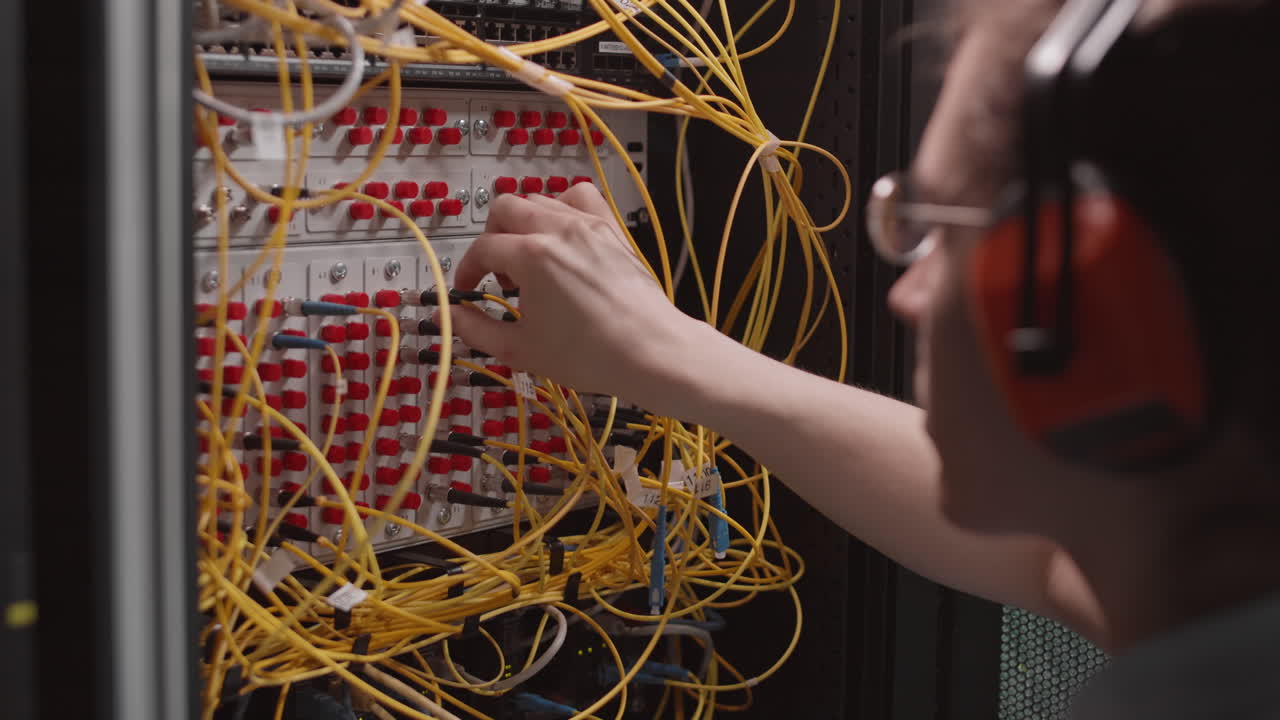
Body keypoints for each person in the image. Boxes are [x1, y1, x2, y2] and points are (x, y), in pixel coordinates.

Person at [448, 0, 1280, 716]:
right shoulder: (1197, 585)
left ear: (1078, 300)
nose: (905, 294)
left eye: (930, 227)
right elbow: (1051, 557)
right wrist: (661, 349)